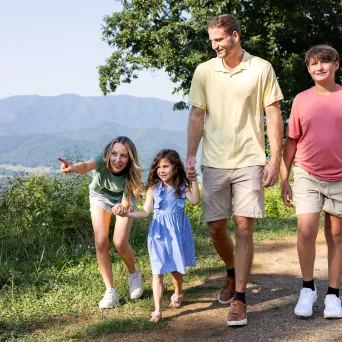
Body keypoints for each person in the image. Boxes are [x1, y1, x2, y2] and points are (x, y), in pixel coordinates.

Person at [186, 14, 284, 326]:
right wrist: (190, 156)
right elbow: (196, 116)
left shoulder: (261, 68)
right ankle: (231, 272)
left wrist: (274, 159)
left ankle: (240, 298)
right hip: (213, 161)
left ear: (235, 36)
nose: (214, 45)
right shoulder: (204, 71)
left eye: (219, 39)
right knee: (215, 227)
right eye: (211, 40)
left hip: (250, 159)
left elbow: (273, 113)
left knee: (244, 226)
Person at [281, 45, 342, 319]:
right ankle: (308, 289)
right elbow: (291, 140)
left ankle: (333, 294)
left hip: (340, 177)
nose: (319, 67)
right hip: (306, 172)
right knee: (306, 231)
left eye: (325, 62)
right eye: (313, 64)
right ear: (309, 69)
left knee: (337, 235)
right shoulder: (301, 100)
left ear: (336, 65)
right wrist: (284, 177)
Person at [57, 136, 144, 308]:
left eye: (123, 156)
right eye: (114, 154)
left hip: (123, 200)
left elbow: (127, 200)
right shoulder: (101, 159)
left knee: (119, 242)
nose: (117, 160)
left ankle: (134, 275)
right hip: (100, 197)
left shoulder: (132, 172)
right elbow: (86, 166)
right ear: (108, 153)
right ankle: (110, 291)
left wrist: (122, 207)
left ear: (130, 158)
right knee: (101, 241)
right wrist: (73, 168)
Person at [115, 149, 200, 323]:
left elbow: (195, 201)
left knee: (176, 270)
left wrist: (194, 180)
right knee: (157, 271)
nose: (161, 170)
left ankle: (177, 292)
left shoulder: (182, 188)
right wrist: (128, 214)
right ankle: (157, 310)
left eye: (166, 166)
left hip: (177, 233)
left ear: (175, 167)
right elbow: (146, 212)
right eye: (159, 167)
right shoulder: (154, 189)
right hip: (158, 234)